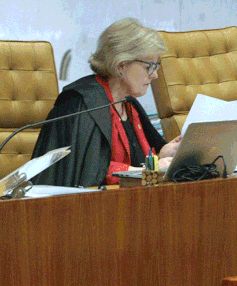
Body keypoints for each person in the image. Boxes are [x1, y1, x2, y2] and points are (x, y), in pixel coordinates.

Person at [32, 18, 181, 187]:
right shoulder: (83, 104)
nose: (155, 75)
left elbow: (139, 165)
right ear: (122, 65)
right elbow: (88, 171)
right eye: (149, 66)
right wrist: (148, 170)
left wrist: (161, 155)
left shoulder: (129, 105)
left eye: (157, 66)